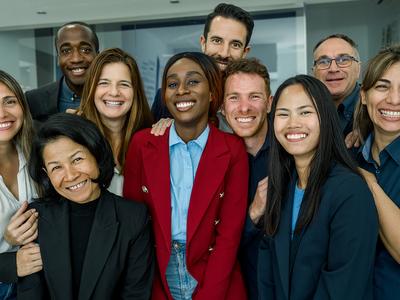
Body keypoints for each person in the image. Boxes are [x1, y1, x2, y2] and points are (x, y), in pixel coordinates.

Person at [124, 52, 249, 300]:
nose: (181, 90)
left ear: (213, 92)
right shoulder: (142, 144)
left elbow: (229, 235)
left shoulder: (232, 149)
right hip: (157, 272)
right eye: (172, 84)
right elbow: (134, 225)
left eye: (193, 81)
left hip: (214, 271)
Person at [258, 75, 378, 299]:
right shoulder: (282, 185)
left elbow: (344, 285)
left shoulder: (350, 191)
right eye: (283, 113)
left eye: (305, 112)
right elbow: (268, 270)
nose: (293, 123)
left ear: (325, 117)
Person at [17, 113, 154, 299]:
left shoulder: (134, 218)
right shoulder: (36, 217)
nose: (71, 175)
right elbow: (30, 293)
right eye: (56, 167)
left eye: (77, 160)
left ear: (96, 155)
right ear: (46, 173)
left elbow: (136, 294)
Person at [151, 3, 254, 123]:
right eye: (217, 41)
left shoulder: (251, 102)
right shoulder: (168, 96)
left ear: (245, 52)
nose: (224, 53)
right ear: (203, 43)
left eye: (235, 45)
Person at [221, 58, 272, 299]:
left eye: (254, 96)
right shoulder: (216, 161)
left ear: (269, 103)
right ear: (222, 106)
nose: (244, 108)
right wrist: (253, 213)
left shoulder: (294, 153)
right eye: (234, 98)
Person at [353, 46, 400, 300]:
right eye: (382, 87)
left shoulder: (361, 175)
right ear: (363, 95)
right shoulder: (352, 159)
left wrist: (370, 185)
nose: (393, 99)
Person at [78, 47, 153, 195]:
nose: (113, 92)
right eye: (104, 83)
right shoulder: (74, 139)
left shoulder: (151, 140)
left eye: (124, 84)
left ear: (135, 92)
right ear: (91, 89)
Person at [0, 70, 39, 300]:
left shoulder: (36, 151)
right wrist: (8, 246)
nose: (3, 113)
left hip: (36, 285)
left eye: (10, 101)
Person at [25, 21, 99, 122]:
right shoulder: (33, 100)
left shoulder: (113, 97)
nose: (76, 59)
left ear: (98, 56)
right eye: (66, 51)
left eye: (85, 50)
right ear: (58, 58)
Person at [312, 33, 361, 135]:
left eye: (343, 60)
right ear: (314, 72)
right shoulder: (307, 109)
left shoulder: (375, 110)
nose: (333, 69)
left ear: (358, 69)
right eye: (324, 61)